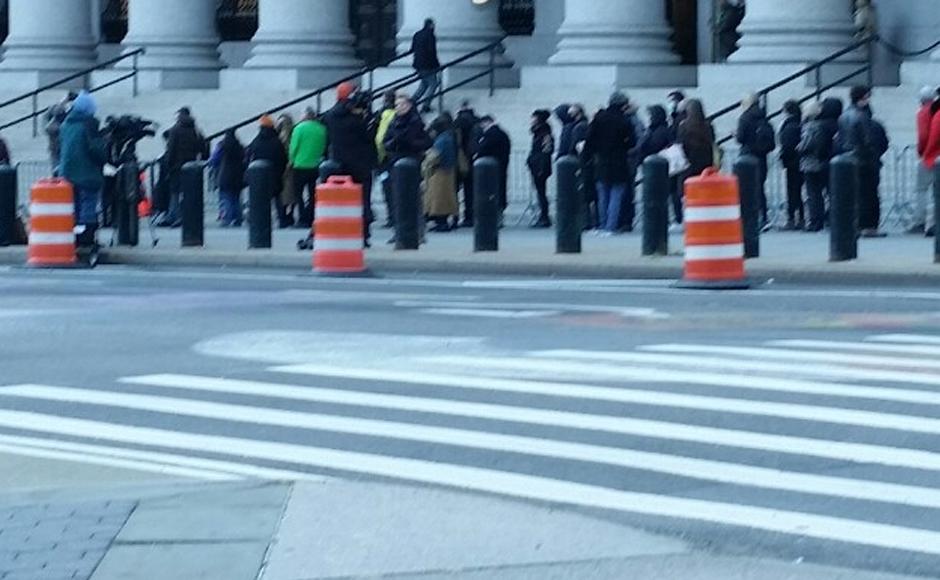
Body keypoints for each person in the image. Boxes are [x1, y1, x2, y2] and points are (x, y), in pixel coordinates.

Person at [324, 85, 378, 246]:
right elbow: (368, 136)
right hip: (361, 163)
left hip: (339, 163)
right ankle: (363, 234)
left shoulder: (330, 116)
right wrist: (369, 118)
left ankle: (342, 231)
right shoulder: (356, 120)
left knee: (342, 202)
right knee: (363, 200)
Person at [583, 92, 637, 236]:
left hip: (601, 160)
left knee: (603, 195)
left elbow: (589, 140)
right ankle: (611, 226)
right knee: (616, 195)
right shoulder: (624, 120)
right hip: (619, 160)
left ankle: (602, 224)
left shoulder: (599, 118)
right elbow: (632, 141)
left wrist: (590, 155)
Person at [58, 91, 108, 247]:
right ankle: (87, 237)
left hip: (67, 173)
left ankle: (74, 236)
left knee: (75, 206)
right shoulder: (89, 125)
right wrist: (104, 150)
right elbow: (96, 149)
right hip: (87, 173)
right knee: (88, 204)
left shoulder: (66, 124)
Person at [383, 93, 433, 244]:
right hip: (395, 163)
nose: (399, 107)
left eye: (402, 104)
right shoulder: (393, 121)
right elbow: (386, 141)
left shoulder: (416, 122)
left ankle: (418, 232)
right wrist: (393, 143)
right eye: (397, 105)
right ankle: (399, 231)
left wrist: (411, 143)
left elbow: (427, 142)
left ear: (409, 106)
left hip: (412, 163)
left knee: (414, 199)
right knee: (397, 199)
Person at [838, 85, 881, 237]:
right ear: (863, 97)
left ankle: (855, 224)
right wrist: (874, 155)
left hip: (848, 159)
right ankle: (868, 226)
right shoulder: (862, 116)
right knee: (869, 195)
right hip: (864, 160)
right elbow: (868, 141)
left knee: (855, 194)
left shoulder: (844, 115)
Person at [161, 107, 208, 227]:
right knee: (188, 192)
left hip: (176, 166)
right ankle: (183, 215)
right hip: (191, 165)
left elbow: (171, 149)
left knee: (175, 192)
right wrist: (201, 159)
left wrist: (168, 164)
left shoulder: (175, 130)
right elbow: (203, 146)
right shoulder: (196, 130)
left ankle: (175, 216)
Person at [736, 92, 776, 230]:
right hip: (761, 157)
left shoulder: (744, 118)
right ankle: (763, 217)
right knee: (760, 188)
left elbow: (740, 138)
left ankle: (748, 218)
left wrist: (735, 135)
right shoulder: (764, 117)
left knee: (746, 189)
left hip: (747, 157)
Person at [247, 115, 289, 228]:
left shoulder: (256, 141)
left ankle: (259, 220)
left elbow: (249, 157)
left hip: (259, 176)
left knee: (260, 200)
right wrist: (280, 172)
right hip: (275, 175)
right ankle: (282, 220)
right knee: (278, 199)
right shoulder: (277, 141)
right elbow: (284, 159)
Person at [290, 107, 328, 229]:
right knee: (312, 193)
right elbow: (324, 146)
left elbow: (294, 147)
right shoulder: (322, 129)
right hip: (315, 165)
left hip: (300, 165)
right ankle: (311, 216)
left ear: (305, 116)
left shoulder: (299, 128)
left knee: (299, 194)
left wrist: (291, 160)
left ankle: (302, 218)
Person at [423, 115, 459, 232]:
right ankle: (442, 221)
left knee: (439, 199)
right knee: (445, 198)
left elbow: (435, 157)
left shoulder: (442, 140)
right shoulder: (449, 137)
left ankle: (441, 223)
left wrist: (427, 158)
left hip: (440, 172)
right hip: (448, 171)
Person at [677, 98, 717, 201]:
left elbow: (680, 145)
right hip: (706, 166)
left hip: (689, 165)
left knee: (687, 196)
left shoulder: (684, 126)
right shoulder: (708, 126)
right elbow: (712, 142)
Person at [476, 115, 512, 217]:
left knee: (494, 189)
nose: (482, 127)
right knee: (500, 188)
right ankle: (500, 209)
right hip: (501, 165)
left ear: (487, 122)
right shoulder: (502, 133)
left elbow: (484, 148)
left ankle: (496, 211)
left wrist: (477, 155)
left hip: (492, 168)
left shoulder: (491, 134)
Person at [208, 129, 246, 227]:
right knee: (236, 198)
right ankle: (238, 218)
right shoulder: (240, 147)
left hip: (224, 175)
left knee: (225, 198)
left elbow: (214, 160)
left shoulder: (222, 146)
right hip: (238, 176)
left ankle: (226, 218)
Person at [914, 86, 938, 235]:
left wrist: (921, 151)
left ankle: (921, 221)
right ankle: (934, 221)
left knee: (922, 189)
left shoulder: (923, 112)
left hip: (930, 155)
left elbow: (923, 136)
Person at [778, 100, 804, 230]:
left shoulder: (789, 126)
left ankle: (792, 218)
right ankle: (801, 217)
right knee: (798, 191)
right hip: (800, 161)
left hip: (792, 163)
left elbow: (787, 146)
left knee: (792, 191)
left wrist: (783, 156)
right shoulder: (800, 123)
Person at [454, 100, 480, 228]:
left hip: (459, 159)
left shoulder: (457, 121)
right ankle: (470, 216)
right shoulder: (477, 122)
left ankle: (455, 216)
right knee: (470, 190)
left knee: (455, 189)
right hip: (473, 159)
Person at [526, 109, 554, 228]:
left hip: (540, 167)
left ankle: (544, 216)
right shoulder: (539, 133)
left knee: (541, 192)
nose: (531, 120)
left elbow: (546, 151)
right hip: (537, 165)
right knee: (540, 192)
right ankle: (543, 215)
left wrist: (540, 167)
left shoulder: (544, 134)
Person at [375, 91, 398, 228]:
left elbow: (379, 140)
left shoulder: (385, 114)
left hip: (386, 158)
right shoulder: (398, 114)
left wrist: (379, 157)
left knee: (388, 189)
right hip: (397, 157)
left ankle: (392, 217)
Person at [411, 18, 441, 114]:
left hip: (418, 64)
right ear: (430, 25)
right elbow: (432, 52)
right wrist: (437, 65)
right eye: (433, 24)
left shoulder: (417, 34)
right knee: (433, 84)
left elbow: (412, 49)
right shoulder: (430, 36)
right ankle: (425, 105)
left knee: (424, 84)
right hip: (428, 65)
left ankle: (412, 102)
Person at [44, 91, 77, 175]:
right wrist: (64, 102)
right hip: (61, 151)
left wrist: (63, 101)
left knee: (57, 172)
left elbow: (52, 112)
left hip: (56, 151)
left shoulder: (51, 125)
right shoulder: (59, 126)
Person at [276, 114, 297, 227]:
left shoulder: (279, 137)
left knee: (282, 194)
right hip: (293, 167)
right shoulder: (294, 133)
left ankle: (283, 217)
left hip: (282, 168)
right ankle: (290, 215)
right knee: (291, 194)